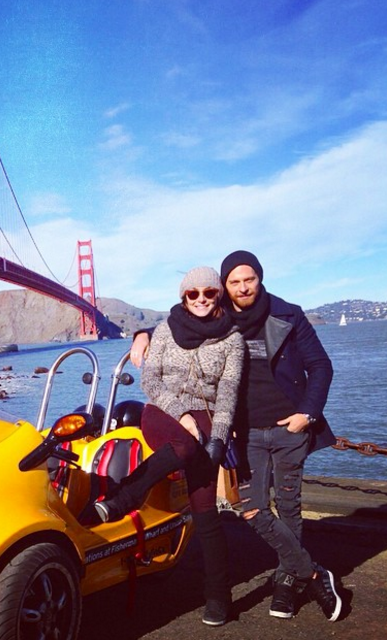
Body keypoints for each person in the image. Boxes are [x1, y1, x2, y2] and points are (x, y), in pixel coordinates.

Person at [131, 250, 342, 623]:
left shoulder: (288, 315)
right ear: (225, 286)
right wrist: (141, 334)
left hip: (289, 428)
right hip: (245, 433)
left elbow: (320, 366)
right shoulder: (220, 317)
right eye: (235, 281)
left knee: (289, 508)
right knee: (251, 508)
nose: (243, 287)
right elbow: (182, 320)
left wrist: (306, 415)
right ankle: (311, 573)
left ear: (260, 279)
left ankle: (287, 582)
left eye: (250, 279)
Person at [83, 266, 245, 627]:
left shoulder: (232, 339)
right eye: (193, 293)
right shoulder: (166, 331)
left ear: (218, 295)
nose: (201, 299)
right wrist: (181, 414)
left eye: (209, 292)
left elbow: (228, 393)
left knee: (206, 511)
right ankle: (128, 495)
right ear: (183, 297)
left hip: (207, 417)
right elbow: (151, 382)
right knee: (184, 447)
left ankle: (219, 596)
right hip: (161, 410)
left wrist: (219, 437)